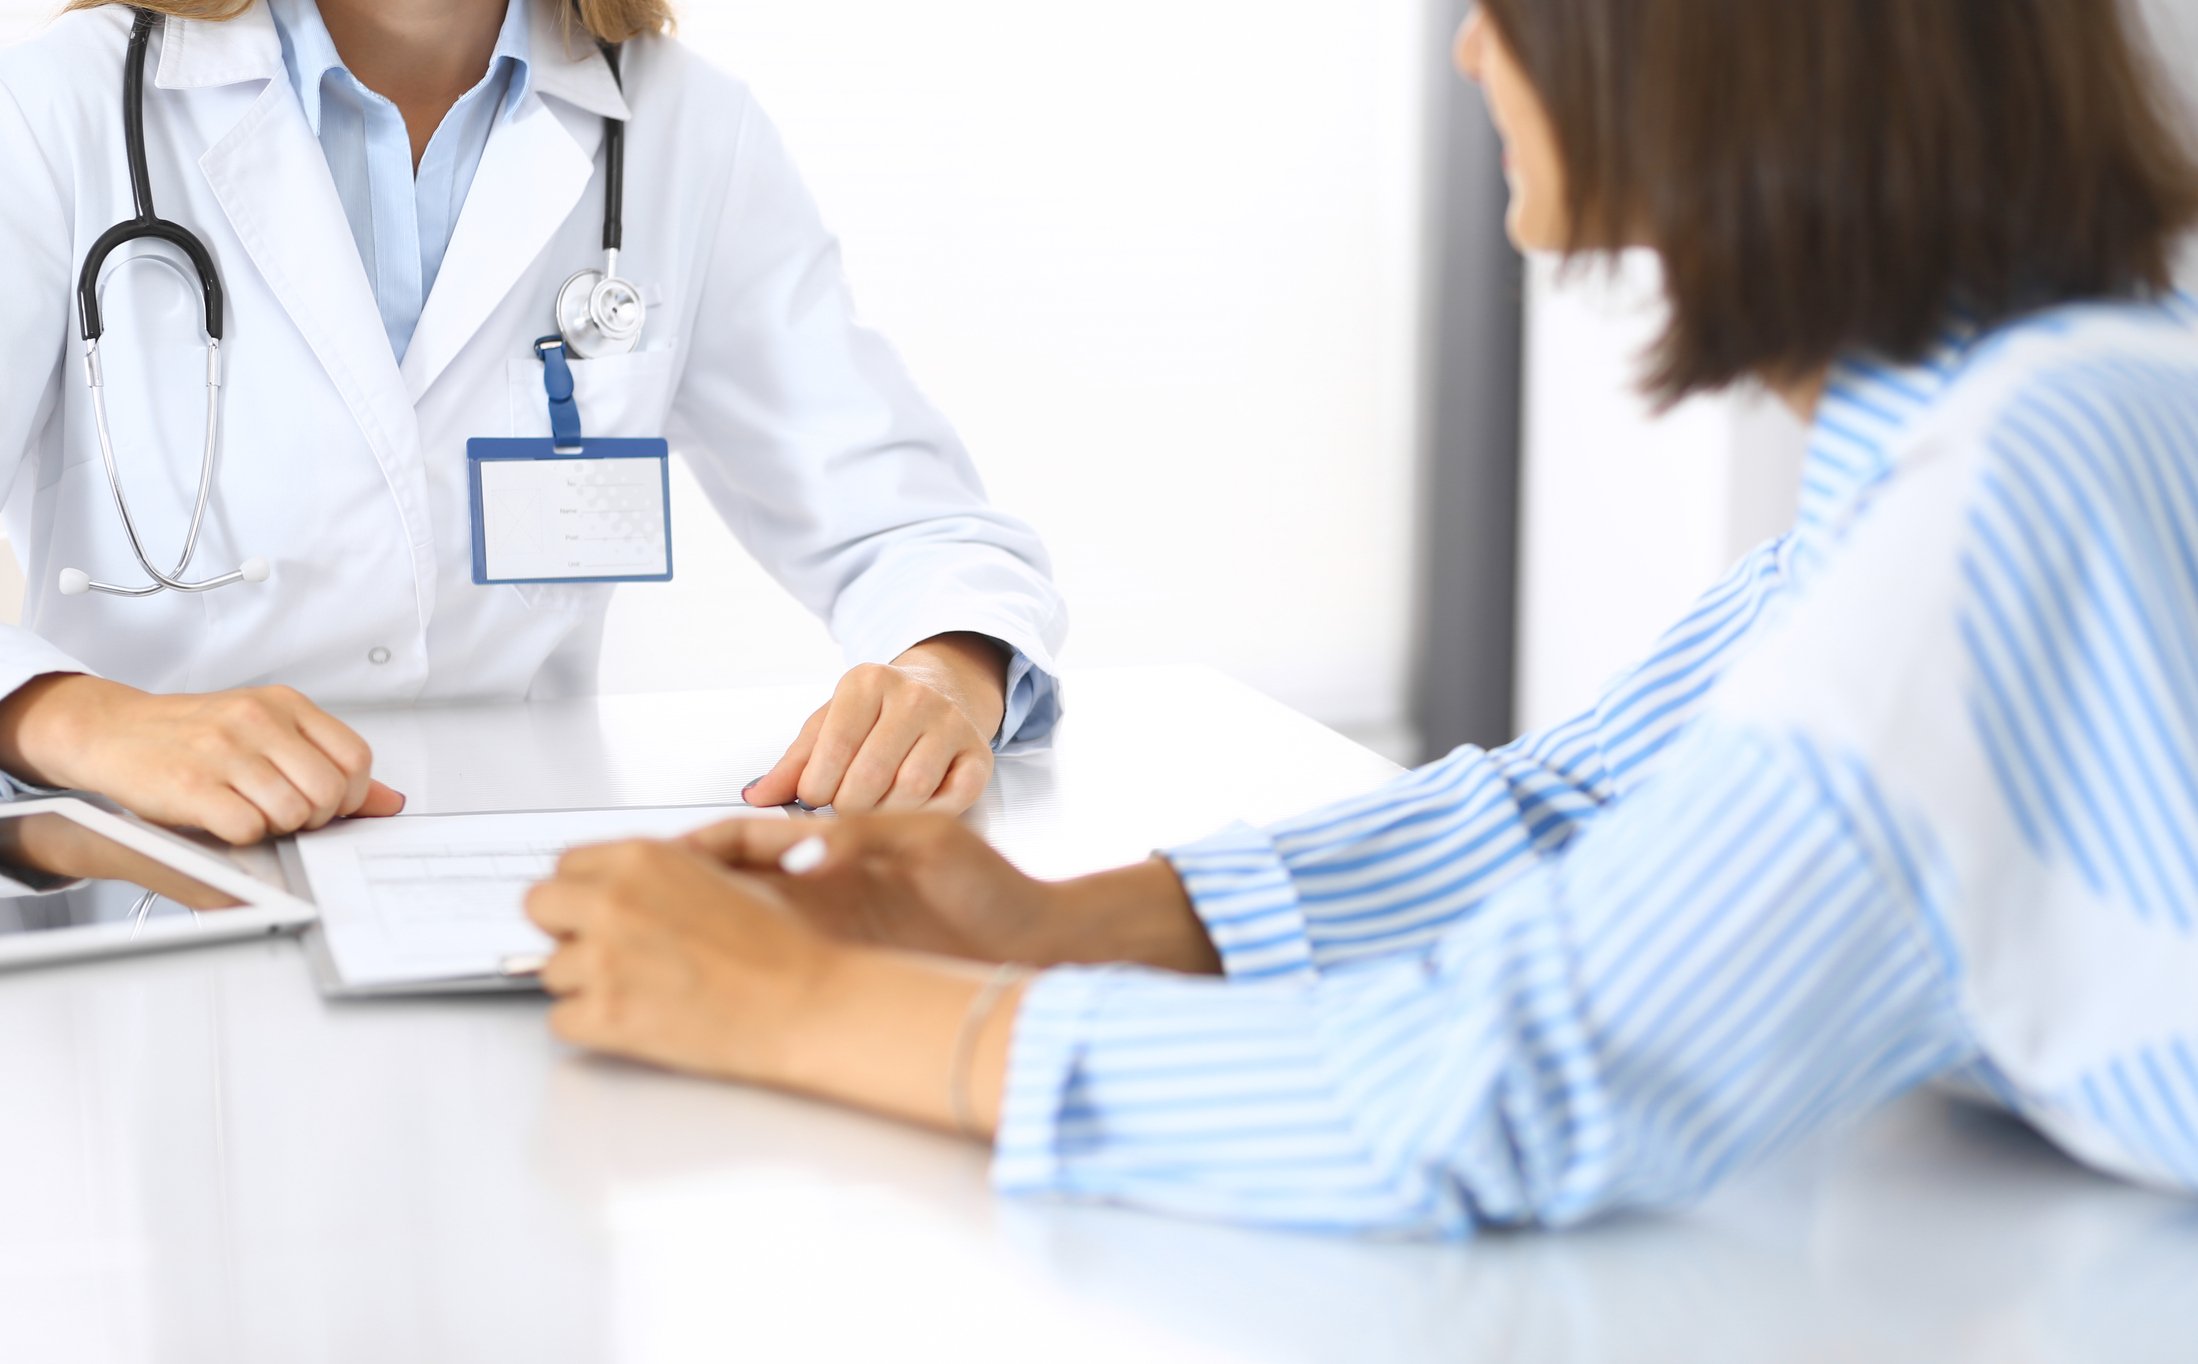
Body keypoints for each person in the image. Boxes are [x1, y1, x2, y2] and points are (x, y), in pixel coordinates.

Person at [525, 0, 2198, 1237]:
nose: (1472, 51)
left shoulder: (2014, 480)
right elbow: (1576, 808)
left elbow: (1504, 1083)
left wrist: (802, 1010)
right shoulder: (2011, 406)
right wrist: (1055, 922)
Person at [0, 0, 1067, 846]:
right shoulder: (59, 109)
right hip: (156, 875)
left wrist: (941, 675)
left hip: (513, 889)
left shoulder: (685, 128)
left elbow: (918, 531)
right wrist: (75, 719)